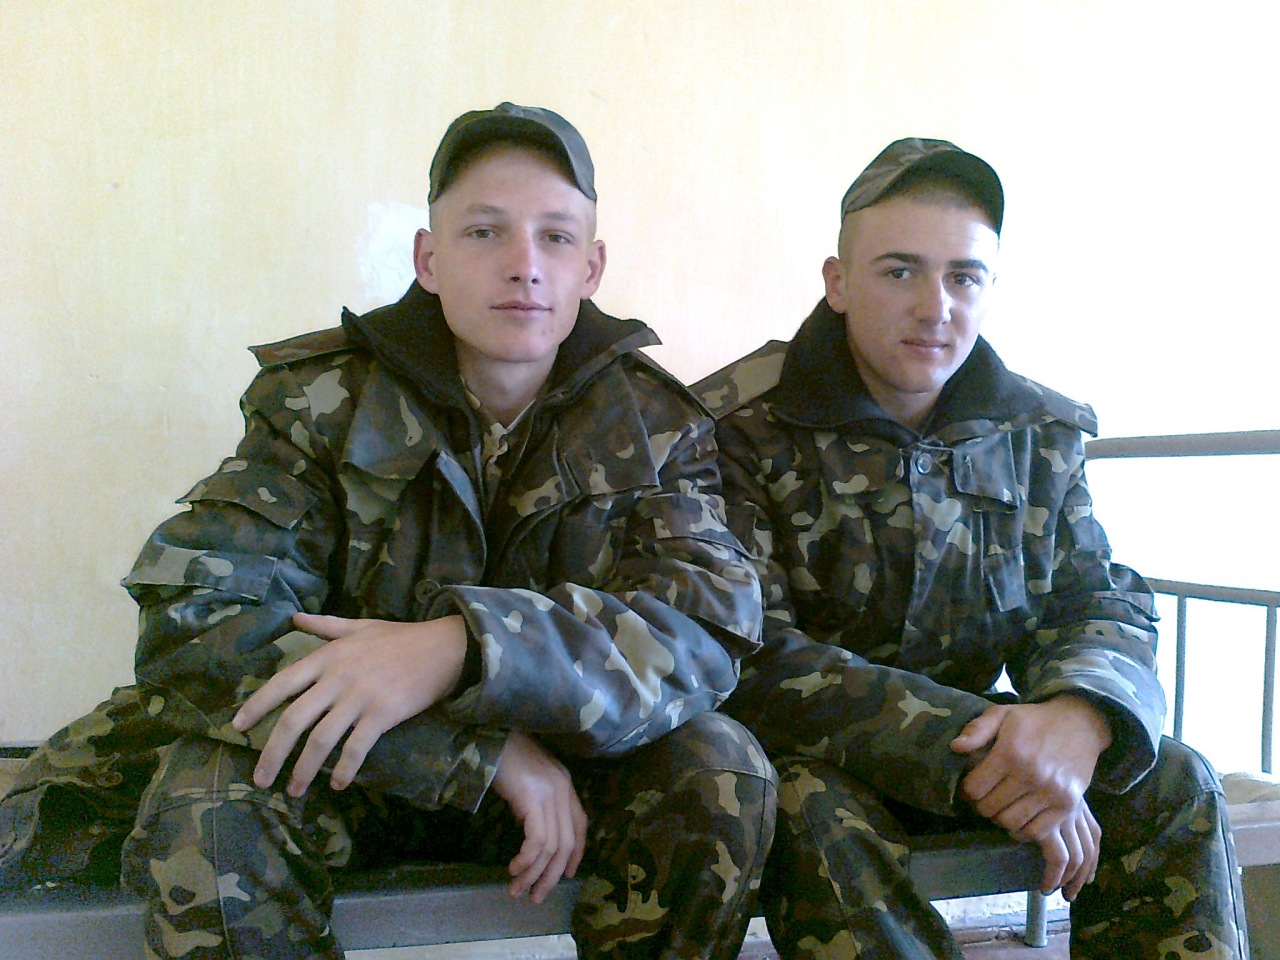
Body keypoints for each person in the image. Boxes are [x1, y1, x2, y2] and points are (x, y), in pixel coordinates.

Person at [0, 102, 776, 960]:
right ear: (428, 259)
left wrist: (464, 647)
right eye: (484, 232)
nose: (524, 265)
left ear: (591, 267)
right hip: (361, 772)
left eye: (555, 237)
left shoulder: (656, 424)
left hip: (572, 779)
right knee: (209, 795)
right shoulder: (320, 401)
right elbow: (200, 621)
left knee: (721, 768)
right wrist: (481, 754)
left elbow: (705, 630)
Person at [695, 137, 1249, 959]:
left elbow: (1096, 596)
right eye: (900, 272)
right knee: (805, 809)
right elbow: (746, 653)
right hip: (830, 758)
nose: (936, 307)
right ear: (838, 282)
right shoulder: (736, 427)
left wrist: (1081, 716)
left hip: (992, 743)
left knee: (1175, 780)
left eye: (964, 277)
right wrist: (993, 745)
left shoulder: (1036, 432)